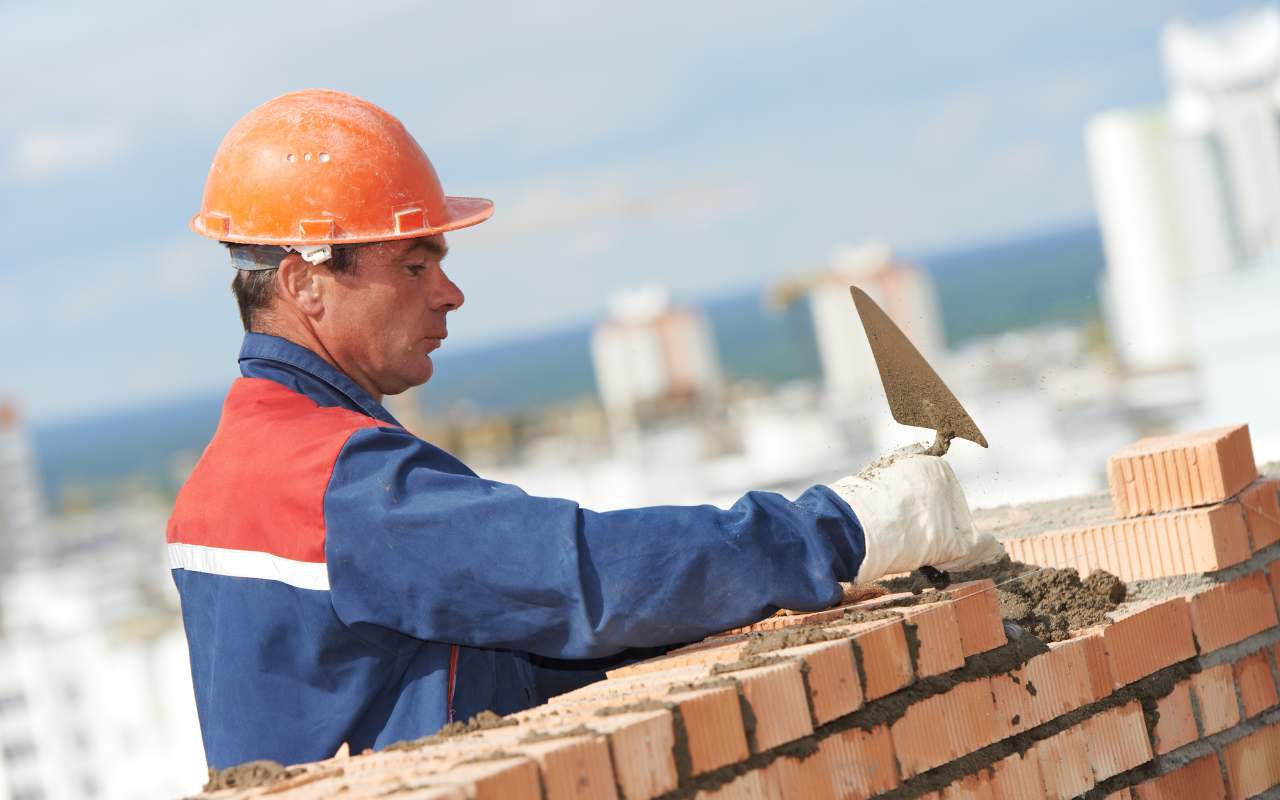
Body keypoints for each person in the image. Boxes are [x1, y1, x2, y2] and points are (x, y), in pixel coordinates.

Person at [169, 89, 1004, 770]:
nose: (448, 294)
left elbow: (481, 658)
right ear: (303, 283)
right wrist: (844, 530)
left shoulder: (227, 478)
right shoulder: (335, 484)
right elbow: (581, 580)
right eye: (416, 264)